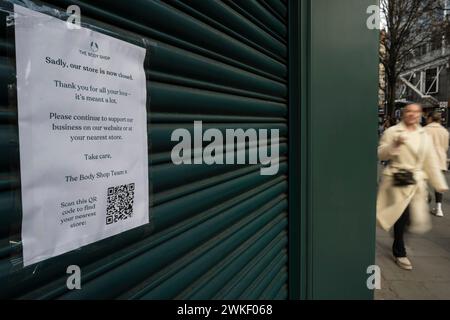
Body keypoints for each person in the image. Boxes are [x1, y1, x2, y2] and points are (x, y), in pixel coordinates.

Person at [377, 103, 448, 270]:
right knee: (402, 216)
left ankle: (398, 235)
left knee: (410, 219)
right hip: (396, 179)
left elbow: (430, 160)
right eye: (409, 111)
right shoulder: (392, 131)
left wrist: (439, 184)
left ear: (420, 115)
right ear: (403, 113)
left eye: (416, 112)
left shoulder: (424, 135)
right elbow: (380, 153)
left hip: (415, 180)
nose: (412, 114)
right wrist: (394, 146)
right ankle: (400, 252)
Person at [425, 111, 449, 217]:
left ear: (430, 118)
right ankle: (439, 209)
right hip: (440, 161)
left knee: (423, 183)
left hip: (427, 160)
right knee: (438, 186)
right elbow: (445, 147)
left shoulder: (424, 130)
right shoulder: (445, 131)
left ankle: (426, 199)